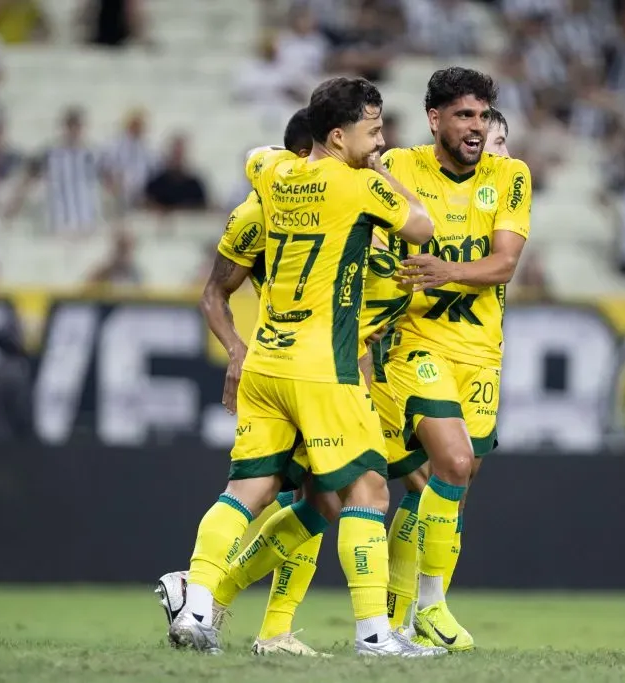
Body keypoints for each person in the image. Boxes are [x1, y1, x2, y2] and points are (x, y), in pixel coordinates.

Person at [167, 77, 439, 657]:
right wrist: (378, 170)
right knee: (369, 488)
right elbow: (422, 226)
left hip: (265, 360)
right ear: (339, 136)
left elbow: (255, 157)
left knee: (247, 489)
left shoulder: (272, 174)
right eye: (371, 131)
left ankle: (195, 606)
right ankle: (375, 635)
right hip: (324, 366)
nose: (380, 140)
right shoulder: (359, 186)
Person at [379, 68, 532, 652]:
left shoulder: (511, 176)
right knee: (449, 462)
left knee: (445, 484)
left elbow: (504, 266)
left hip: (481, 355)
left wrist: (447, 271)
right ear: (435, 118)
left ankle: (397, 618)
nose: (478, 127)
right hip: (415, 345)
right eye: (466, 115)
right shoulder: (399, 167)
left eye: (485, 116)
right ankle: (430, 605)